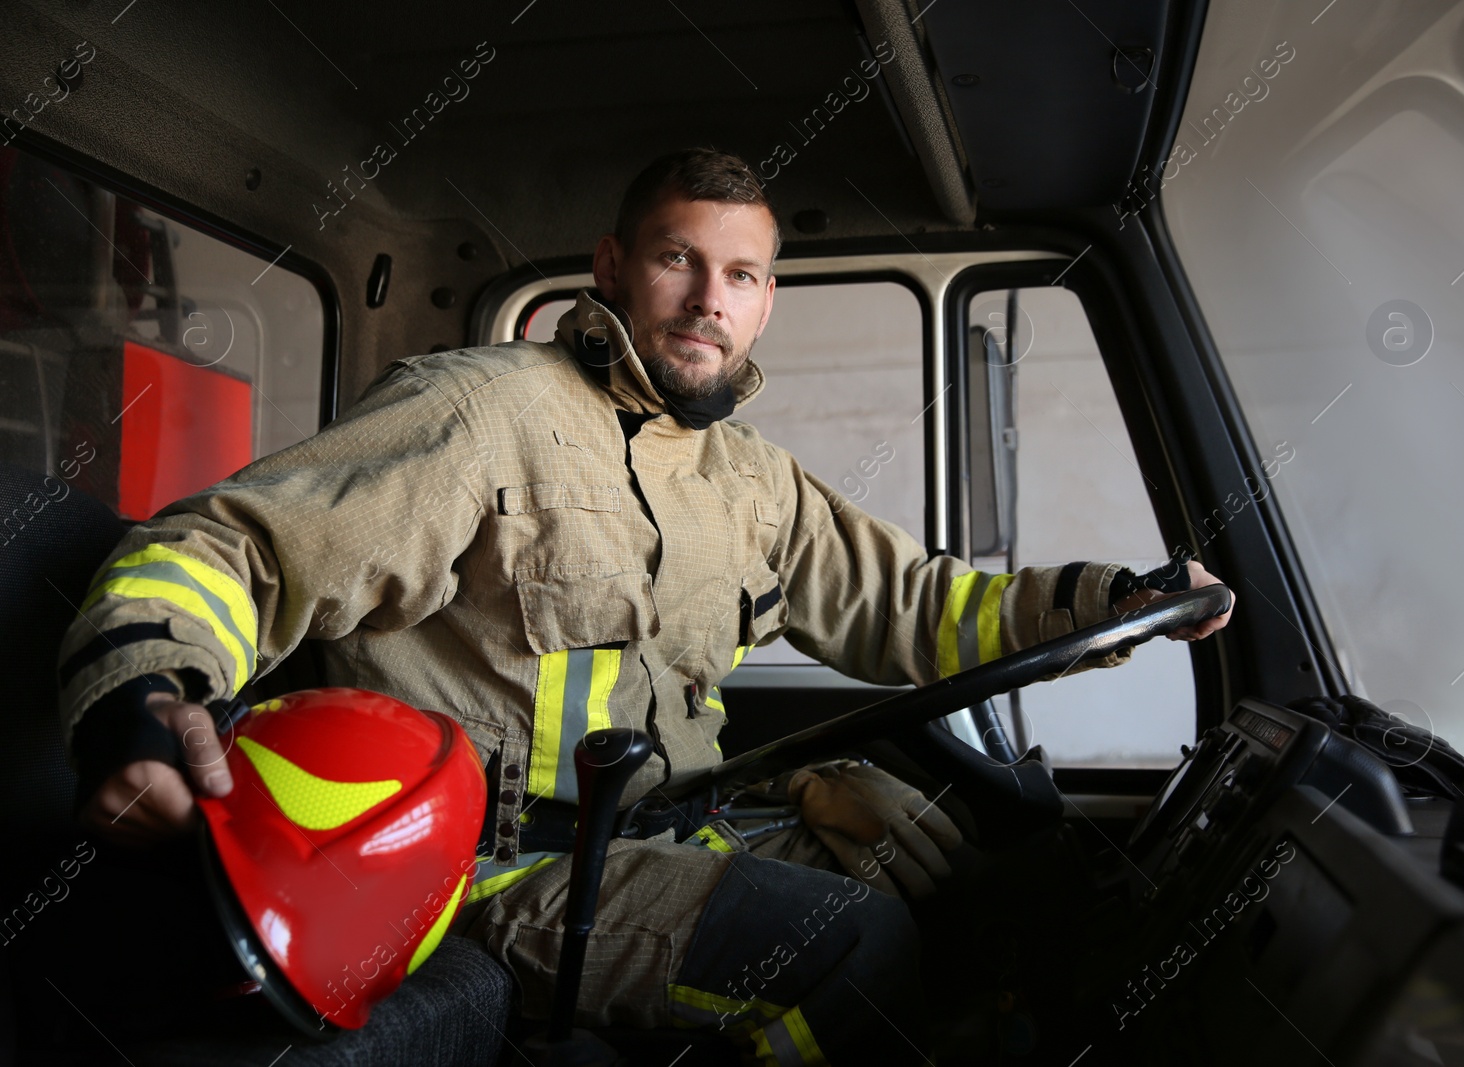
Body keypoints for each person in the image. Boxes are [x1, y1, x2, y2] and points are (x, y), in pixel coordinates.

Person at [59, 148, 1232, 1064]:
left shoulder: (749, 481)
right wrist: (148, 690)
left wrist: (1109, 602)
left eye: (741, 275)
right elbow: (235, 548)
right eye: (678, 260)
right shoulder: (480, 413)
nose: (706, 299)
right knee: (851, 953)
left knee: (992, 898)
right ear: (612, 266)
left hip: (668, 833)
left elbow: (919, 609)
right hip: (492, 873)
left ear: (766, 302)